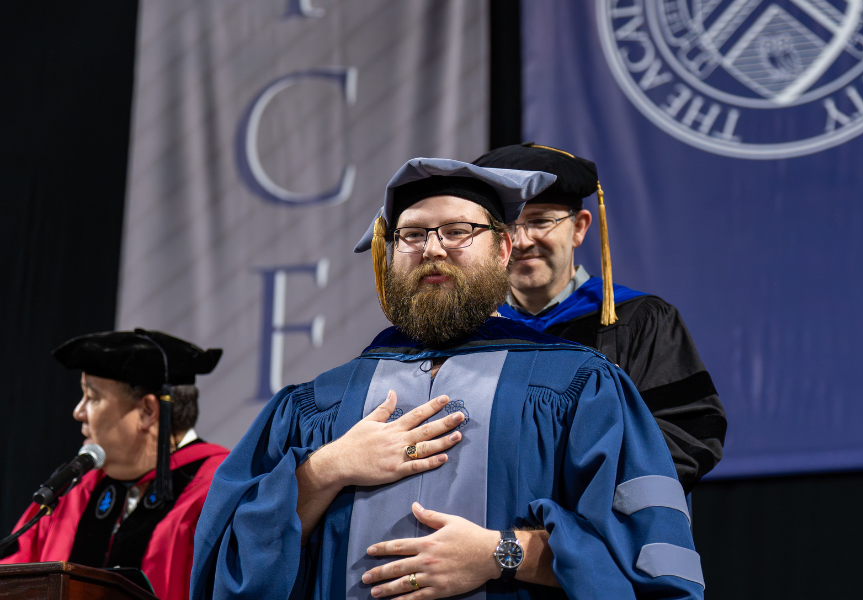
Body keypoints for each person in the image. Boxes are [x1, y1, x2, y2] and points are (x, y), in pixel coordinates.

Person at [191, 158, 703, 600]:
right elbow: (228, 572)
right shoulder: (318, 404)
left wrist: (502, 554)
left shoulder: (580, 386)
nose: (432, 249)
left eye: (458, 231)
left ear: (503, 250)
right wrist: (324, 470)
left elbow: (649, 564)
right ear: (390, 253)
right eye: (412, 234)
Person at [473, 143, 727, 493]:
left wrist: (578, 497)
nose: (522, 241)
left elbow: (687, 433)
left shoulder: (639, 320)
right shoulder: (471, 331)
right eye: (506, 227)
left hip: (602, 517)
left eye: (540, 221)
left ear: (579, 227)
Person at [1, 329, 228, 600]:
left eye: (93, 397)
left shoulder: (218, 494)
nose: (78, 412)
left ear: (147, 411)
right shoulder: (75, 492)